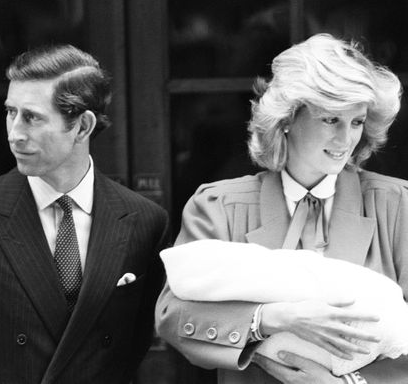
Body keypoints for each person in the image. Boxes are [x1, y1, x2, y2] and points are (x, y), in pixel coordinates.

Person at [155, 33, 408, 384]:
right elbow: (172, 316)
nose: (345, 139)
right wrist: (271, 318)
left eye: (356, 122)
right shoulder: (218, 205)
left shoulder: (398, 206)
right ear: (287, 118)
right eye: (330, 119)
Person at [0, 45, 169, 383]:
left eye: (32, 117)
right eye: (10, 112)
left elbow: (137, 348)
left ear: (83, 126)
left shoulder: (145, 221)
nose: (14, 133)